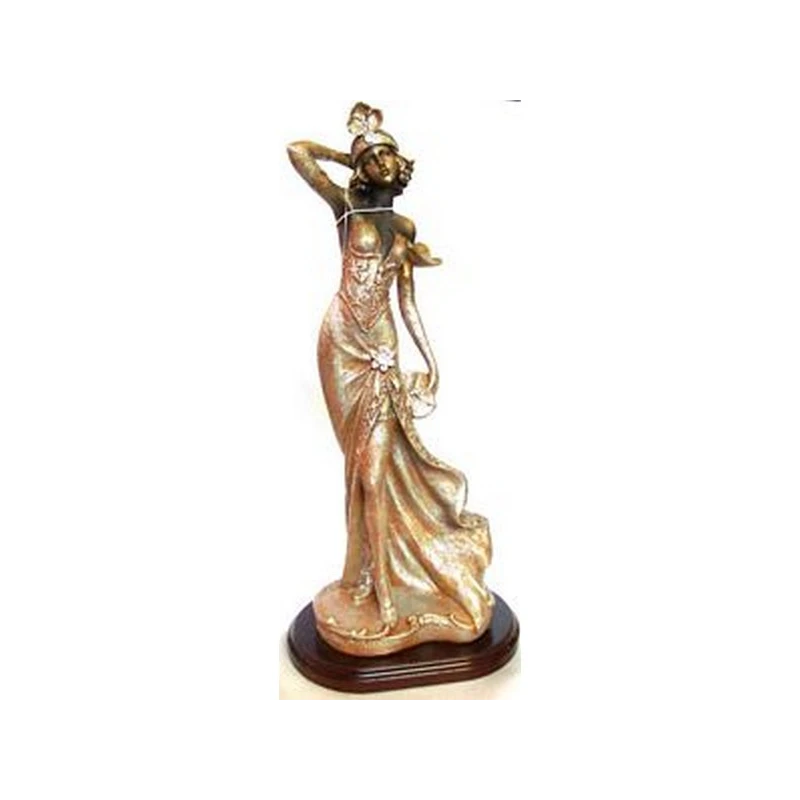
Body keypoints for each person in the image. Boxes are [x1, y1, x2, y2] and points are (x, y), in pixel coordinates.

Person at [287, 103, 493, 656]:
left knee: (375, 472)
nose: (381, 164)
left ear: (400, 166)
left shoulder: (403, 228)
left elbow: (407, 303)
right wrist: (347, 153)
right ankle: (366, 579)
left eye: (387, 156)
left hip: (381, 349)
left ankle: (384, 589)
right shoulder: (345, 209)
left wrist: (431, 360)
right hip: (341, 346)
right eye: (372, 159)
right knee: (358, 467)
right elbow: (297, 153)